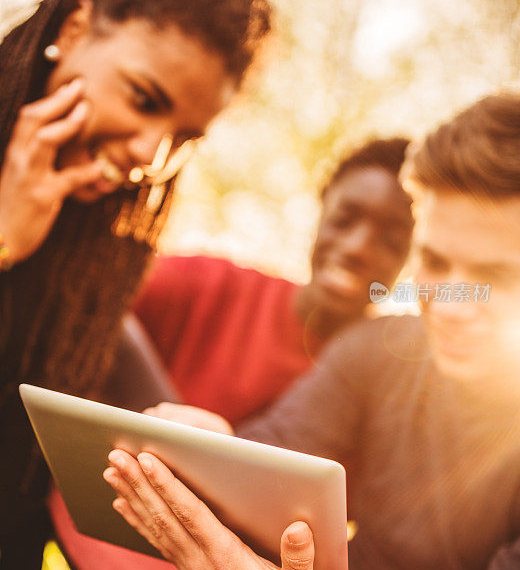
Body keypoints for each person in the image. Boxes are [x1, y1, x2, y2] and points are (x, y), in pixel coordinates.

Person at [103, 93, 520, 570]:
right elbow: (277, 449)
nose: (449, 301)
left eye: (494, 277)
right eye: (435, 262)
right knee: (119, 540)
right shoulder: (374, 349)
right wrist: (219, 449)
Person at [0, 0, 271, 570]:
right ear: (75, 26)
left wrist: (210, 457)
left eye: (184, 137)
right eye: (145, 99)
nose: (153, 154)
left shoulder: (89, 280)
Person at [132, 138, 414, 423]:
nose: (358, 248)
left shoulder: (391, 377)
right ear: (323, 205)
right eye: (344, 219)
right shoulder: (205, 286)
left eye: (391, 241)